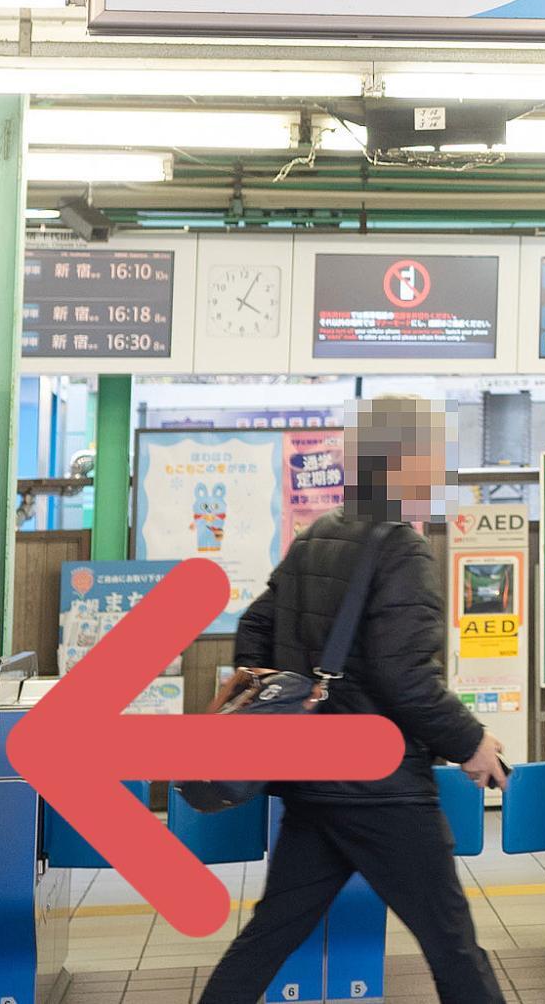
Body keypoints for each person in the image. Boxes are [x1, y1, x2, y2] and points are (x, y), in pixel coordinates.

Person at [199, 394, 510, 1004]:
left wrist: (280, 689)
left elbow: (255, 628)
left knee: (269, 934)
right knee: (453, 945)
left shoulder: (317, 536)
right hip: (382, 785)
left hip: (312, 776)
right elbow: (405, 678)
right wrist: (471, 742)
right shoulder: (402, 548)